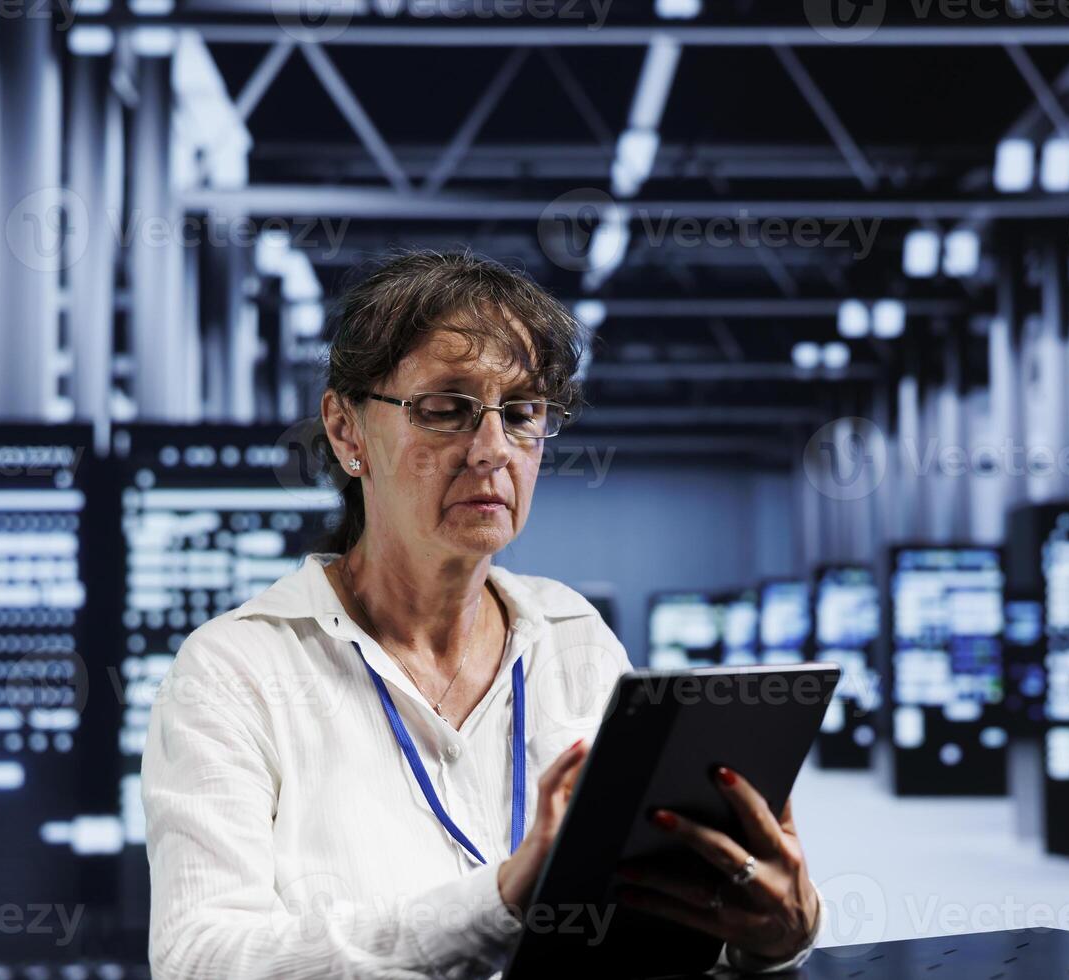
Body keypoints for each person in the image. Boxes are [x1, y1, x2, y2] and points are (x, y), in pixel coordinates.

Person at [141, 250, 823, 978]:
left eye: (522, 413)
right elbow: (199, 961)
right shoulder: (235, 671)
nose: (493, 450)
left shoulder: (573, 638)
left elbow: (646, 922)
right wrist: (493, 904)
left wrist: (764, 934)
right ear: (345, 431)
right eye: (445, 409)